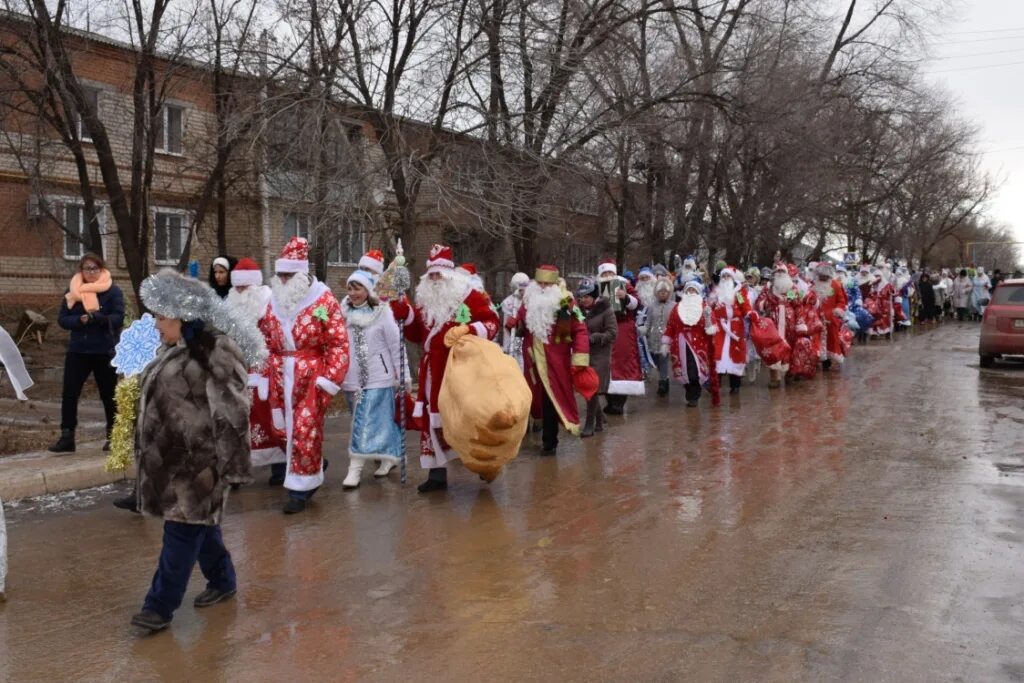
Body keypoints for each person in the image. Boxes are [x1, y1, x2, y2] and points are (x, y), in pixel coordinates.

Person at [129, 268, 266, 635]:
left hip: (199, 466)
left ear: (184, 316)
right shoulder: (174, 349)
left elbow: (234, 411)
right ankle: (222, 580)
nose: (156, 323)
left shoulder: (215, 351)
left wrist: (234, 467)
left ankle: (158, 607)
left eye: (161, 316)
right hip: (171, 462)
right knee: (199, 528)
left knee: (181, 534)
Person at [389, 244, 500, 493]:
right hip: (433, 371)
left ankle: (484, 463)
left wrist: (469, 330)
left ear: (450, 275)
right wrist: (405, 314)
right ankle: (437, 473)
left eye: (439, 274)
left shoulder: (469, 296)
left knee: (468, 418)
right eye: (431, 275)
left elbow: (493, 322)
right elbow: (417, 334)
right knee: (433, 420)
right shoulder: (425, 301)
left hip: (462, 368)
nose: (435, 279)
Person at [262, 237, 351, 514]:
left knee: (305, 429)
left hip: (310, 376)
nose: (283, 279)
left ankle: (299, 491)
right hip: (279, 374)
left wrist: (328, 381)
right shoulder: (272, 301)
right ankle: (312, 466)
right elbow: (264, 338)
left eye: (289, 274)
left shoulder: (323, 299)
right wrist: (263, 371)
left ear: (300, 273)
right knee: (283, 431)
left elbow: (338, 343)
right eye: (280, 274)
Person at [50, 253, 125, 453]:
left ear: (101, 269)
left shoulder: (112, 291)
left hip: (103, 350)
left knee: (109, 394)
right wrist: (79, 321)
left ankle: (114, 436)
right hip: (78, 350)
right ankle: (67, 436)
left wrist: (99, 318)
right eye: (86, 269)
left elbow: (118, 317)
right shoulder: (73, 291)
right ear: (81, 271)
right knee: (69, 393)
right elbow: (62, 319)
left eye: (94, 268)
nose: (90, 272)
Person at [510, 265, 590, 453]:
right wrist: (515, 325)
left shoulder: (567, 301)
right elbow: (523, 326)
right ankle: (540, 436)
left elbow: (580, 330)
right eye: (540, 283)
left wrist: (579, 358)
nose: (544, 287)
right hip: (533, 360)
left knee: (553, 399)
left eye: (548, 283)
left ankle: (549, 442)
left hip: (556, 362)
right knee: (536, 398)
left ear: (554, 283)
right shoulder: (528, 300)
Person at [338, 268, 406, 488]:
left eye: (358, 288)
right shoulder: (342, 312)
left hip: (378, 377)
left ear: (367, 290)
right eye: (350, 288)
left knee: (363, 422)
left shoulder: (382, 312)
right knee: (377, 423)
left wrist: (402, 372)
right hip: (351, 378)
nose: (353, 293)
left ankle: (354, 470)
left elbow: (395, 344)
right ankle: (389, 457)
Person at [225, 258, 276, 469]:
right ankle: (237, 465)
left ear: (254, 285)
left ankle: (279, 465)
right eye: (236, 287)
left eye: (244, 286)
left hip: (264, 370)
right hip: (237, 369)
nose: (240, 291)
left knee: (269, 416)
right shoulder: (230, 306)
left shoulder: (269, 305)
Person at [597, 260, 645, 414]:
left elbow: (637, 304)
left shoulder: (625, 284)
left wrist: (626, 297)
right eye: (604, 274)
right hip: (603, 331)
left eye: (610, 273)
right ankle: (610, 401)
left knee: (622, 366)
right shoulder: (596, 288)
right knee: (605, 367)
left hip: (622, 331)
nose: (607, 276)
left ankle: (618, 403)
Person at [662, 280, 719, 407]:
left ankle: (694, 396)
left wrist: (709, 321)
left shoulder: (705, 307)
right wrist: (666, 342)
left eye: (694, 290)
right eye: (689, 290)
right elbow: (671, 326)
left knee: (695, 371)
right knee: (683, 370)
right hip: (680, 344)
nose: (691, 292)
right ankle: (691, 391)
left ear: (698, 292)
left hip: (698, 344)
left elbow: (711, 327)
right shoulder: (677, 308)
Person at [577, 278, 617, 436]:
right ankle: (599, 419)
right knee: (588, 387)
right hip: (582, 354)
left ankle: (589, 424)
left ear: (594, 296)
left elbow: (613, 334)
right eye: (581, 297)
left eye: (587, 296)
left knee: (591, 388)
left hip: (600, 355)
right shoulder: (578, 311)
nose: (584, 300)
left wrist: (595, 337)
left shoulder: (606, 310)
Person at [709, 266, 753, 395]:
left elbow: (745, 306)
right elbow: (709, 306)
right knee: (718, 355)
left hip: (735, 328)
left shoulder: (739, 292)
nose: (725, 278)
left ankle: (735, 386)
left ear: (732, 278)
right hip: (719, 328)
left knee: (736, 355)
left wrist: (750, 313)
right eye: (723, 276)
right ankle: (716, 385)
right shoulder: (716, 292)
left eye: (728, 276)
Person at [757, 264, 796, 388]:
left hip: (789, 321)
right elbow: (759, 302)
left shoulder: (791, 287)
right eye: (777, 271)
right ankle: (774, 377)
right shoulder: (768, 287)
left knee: (789, 345)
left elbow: (795, 302)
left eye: (782, 271)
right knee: (773, 347)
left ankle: (790, 373)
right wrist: (766, 302)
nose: (779, 273)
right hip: (772, 320)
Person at [813, 263, 849, 370]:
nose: (823, 278)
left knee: (832, 340)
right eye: (821, 275)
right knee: (818, 340)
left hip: (831, 318)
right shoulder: (814, 285)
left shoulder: (836, 285)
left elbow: (841, 301)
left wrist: (837, 310)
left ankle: (832, 359)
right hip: (817, 318)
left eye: (825, 276)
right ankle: (822, 360)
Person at [644, 278, 674, 396]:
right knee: (656, 360)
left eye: (665, 291)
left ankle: (663, 382)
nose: (663, 293)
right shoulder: (651, 306)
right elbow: (648, 321)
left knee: (664, 359)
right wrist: (644, 330)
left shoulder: (674, 306)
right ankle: (664, 378)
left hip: (666, 338)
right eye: (660, 291)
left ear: (669, 292)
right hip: (653, 337)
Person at [500, 272, 530, 369]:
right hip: (514, 338)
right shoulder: (508, 302)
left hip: (526, 338)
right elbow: (506, 327)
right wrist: (507, 346)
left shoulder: (531, 301)